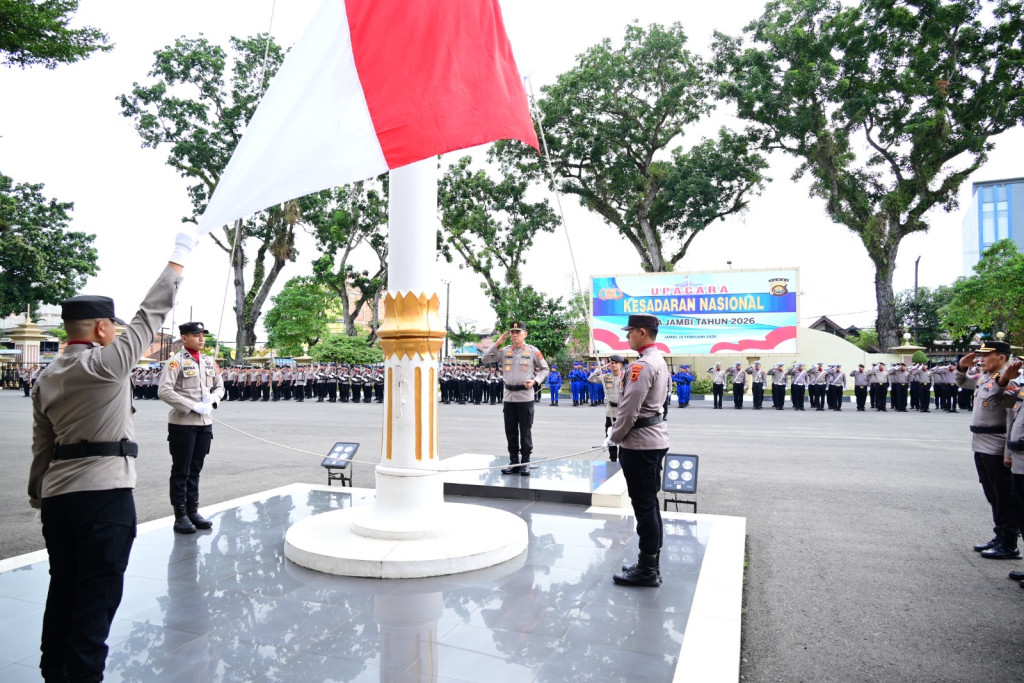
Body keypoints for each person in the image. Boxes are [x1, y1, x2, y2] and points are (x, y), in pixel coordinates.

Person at [28, 229, 193, 683]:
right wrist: (179, 257)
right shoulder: (106, 363)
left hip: (59, 497)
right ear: (102, 328)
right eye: (114, 328)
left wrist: (37, 493)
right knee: (96, 597)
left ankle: (53, 671)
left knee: (63, 587)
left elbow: (42, 445)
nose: (119, 333)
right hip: (104, 495)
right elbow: (151, 313)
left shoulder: (45, 377)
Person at [605, 314, 670, 587]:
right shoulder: (659, 360)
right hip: (652, 440)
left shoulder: (641, 366)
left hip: (640, 443)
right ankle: (649, 564)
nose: (627, 336)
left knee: (644, 506)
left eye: (630, 332)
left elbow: (629, 410)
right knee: (649, 504)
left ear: (642, 332)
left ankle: (647, 570)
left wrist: (614, 436)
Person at [954, 341, 1021, 559]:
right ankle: (1000, 534)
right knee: (992, 493)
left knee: (1004, 495)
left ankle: (1009, 542)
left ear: (1001, 358)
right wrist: (962, 367)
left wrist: (1008, 452)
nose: (980, 359)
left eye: (986, 355)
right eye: (979, 356)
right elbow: (963, 382)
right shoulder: (985, 378)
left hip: (997, 444)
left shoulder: (1011, 380)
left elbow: (1011, 417)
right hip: (981, 443)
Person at [158, 321, 226, 534]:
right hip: (183, 423)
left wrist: (212, 400)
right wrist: (192, 405)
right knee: (181, 470)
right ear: (184, 338)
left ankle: (193, 510)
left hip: (205, 422)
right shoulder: (175, 361)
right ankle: (180, 515)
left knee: (195, 469)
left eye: (203, 335)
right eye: (196, 335)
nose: (201, 338)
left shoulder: (208, 361)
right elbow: (164, 390)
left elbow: (220, 386)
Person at [480, 322, 549, 476]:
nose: (515, 335)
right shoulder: (504, 351)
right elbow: (485, 359)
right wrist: (497, 343)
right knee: (510, 431)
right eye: (512, 332)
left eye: (518, 332)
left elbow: (545, 369)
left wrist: (535, 381)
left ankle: (525, 462)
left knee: (525, 431)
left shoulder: (532, 351)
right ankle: (514, 462)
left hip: (525, 396)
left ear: (525, 334)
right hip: (509, 397)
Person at [590, 356, 625, 462]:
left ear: (620, 365)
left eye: (616, 363)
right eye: (611, 363)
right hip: (610, 411)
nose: (613, 365)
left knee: (623, 436)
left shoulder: (625, 377)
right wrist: (600, 368)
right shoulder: (606, 376)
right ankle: (613, 458)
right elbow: (591, 378)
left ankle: (623, 458)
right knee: (610, 435)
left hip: (622, 411)